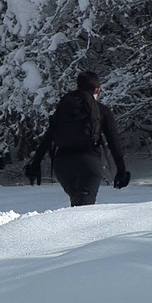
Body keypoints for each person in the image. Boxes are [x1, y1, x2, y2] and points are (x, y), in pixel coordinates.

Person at [25, 71, 130, 206]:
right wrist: (121, 170)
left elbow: (48, 137)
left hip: (62, 164)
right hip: (89, 163)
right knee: (84, 209)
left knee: (77, 204)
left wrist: (36, 164)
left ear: (77, 86)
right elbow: (114, 143)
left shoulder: (63, 109)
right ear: (97, 89)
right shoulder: (101, 110)